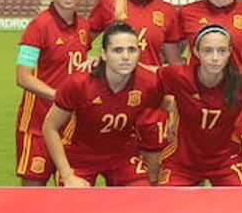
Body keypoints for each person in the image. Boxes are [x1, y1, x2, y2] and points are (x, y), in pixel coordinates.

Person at [89, 0, 181, 177]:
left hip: (152, 105)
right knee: (116, 175)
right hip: (113, 105)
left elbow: (175, 66)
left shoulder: (168, 11)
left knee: (152, 180)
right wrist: (90, 57)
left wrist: (178, 109)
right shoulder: (109, 4)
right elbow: (81, 41)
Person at [41, 22, 163, 187]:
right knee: (74, 202)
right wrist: (67, 175)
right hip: (79, 154)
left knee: (141, 195)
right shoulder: (79, 84)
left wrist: (172, 126)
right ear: (103, 54)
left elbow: (174, 99)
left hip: (122, 155)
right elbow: (50, 126)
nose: (126, 56)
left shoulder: (148, 82)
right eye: (117, 50)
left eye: (132, 50)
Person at [13, 0, 92, 185]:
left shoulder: (85, 26)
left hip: (69, 128)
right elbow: (23, 77)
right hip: (36, 125)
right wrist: (59, 97)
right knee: (33, 194)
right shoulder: (37, 26)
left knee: (66, 196)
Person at [154, 24, 242, 187]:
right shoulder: (178, 75)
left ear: (230, 52)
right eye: (208, 50)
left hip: (225, 162)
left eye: (221, 51)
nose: (215, 57)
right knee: (165, 204)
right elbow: (145, 75)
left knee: (240, 206)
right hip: (182, 162)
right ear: (196, 52)